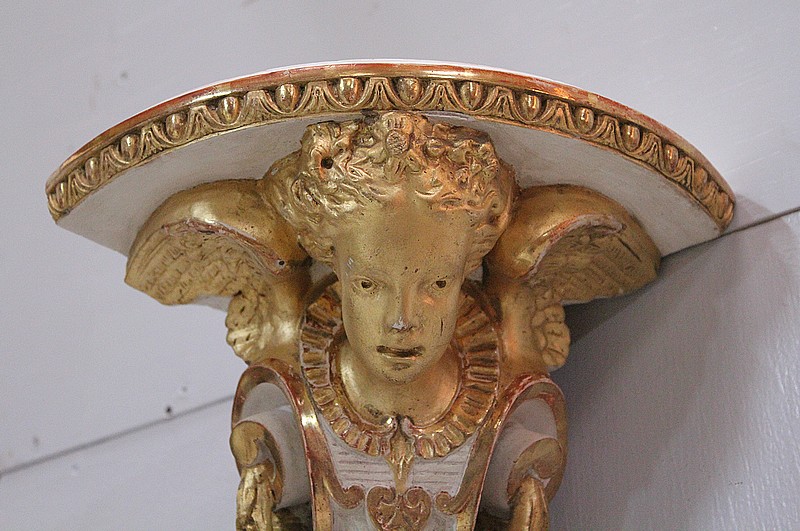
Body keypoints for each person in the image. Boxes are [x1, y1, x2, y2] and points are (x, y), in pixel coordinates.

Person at [231, 112, 564, 530]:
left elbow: (505, 466)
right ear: (332, 266)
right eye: (369, 284)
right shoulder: (308, 385)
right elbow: (293, 453)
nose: (402, 321)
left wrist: (523, 474)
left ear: (467, 270)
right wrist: (266, 461)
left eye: (438, 283)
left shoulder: (489, 383)